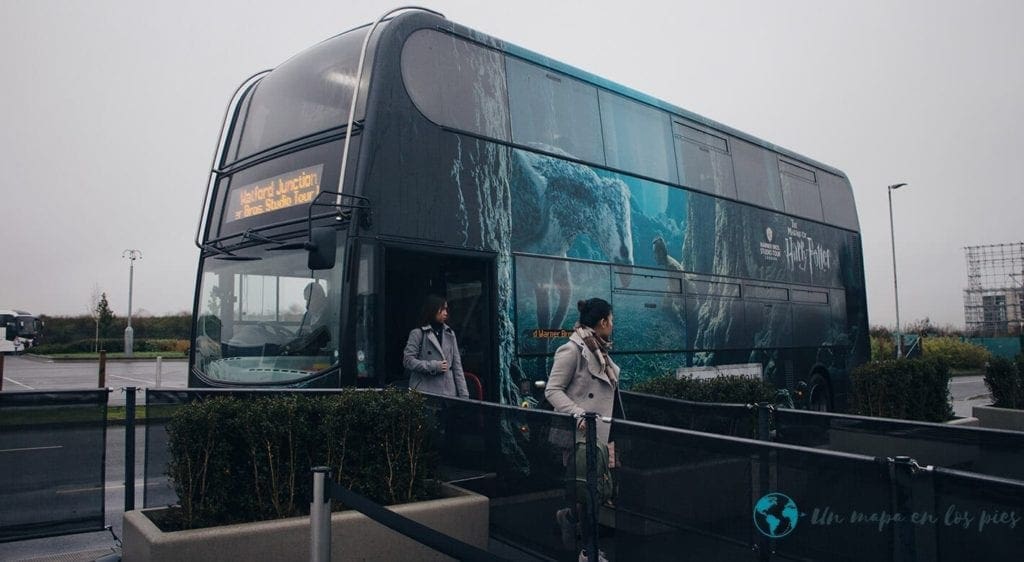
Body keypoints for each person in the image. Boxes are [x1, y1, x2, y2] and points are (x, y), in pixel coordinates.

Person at [545, 297, 624, 561]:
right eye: (611, 320)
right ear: (602, 322)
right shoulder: (572, 350)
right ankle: (588, 551)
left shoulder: (599, 349)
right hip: (580, 434)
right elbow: (552, 390)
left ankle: (567, 519)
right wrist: (579, 413)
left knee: (597, 492)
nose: (612, 325)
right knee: (587, 493)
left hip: (602, 432)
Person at [402, 295, 469, 398]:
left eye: (446, 309)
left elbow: (457, 366)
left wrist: (464, 395)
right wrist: (433, 366)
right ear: (433, 310)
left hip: (448, 393)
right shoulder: (418, 333)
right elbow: (408, 361)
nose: (446, 313)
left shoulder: (450, 333)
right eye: (442, 309)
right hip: (424, 392)